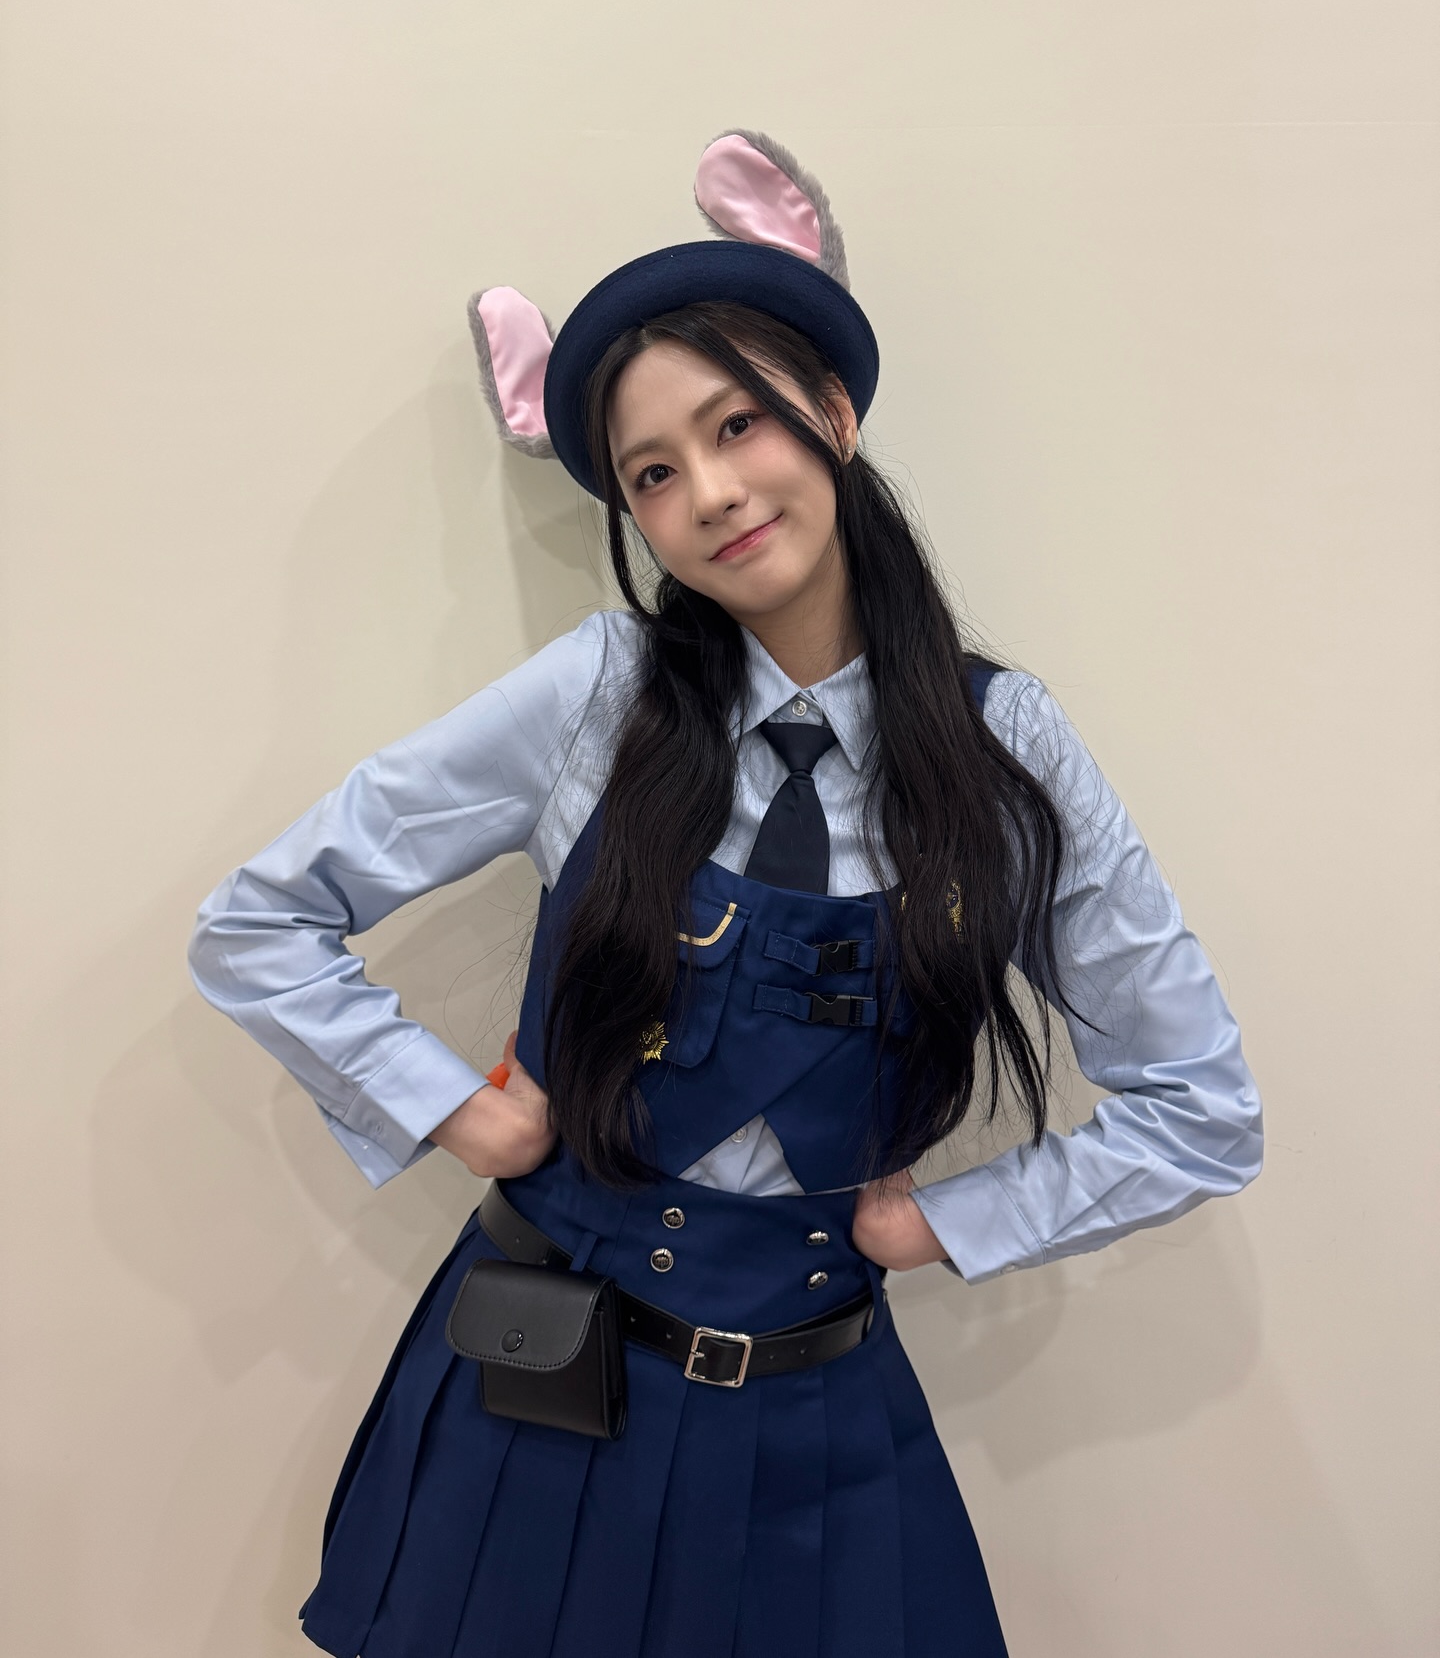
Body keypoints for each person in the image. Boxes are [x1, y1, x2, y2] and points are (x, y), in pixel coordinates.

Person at [188, 129, 1263, 1658]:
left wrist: (946, 1222)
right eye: (652, 471)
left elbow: (1202, 1107)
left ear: (834, 411)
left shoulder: (1005, 747)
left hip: (820, 1430)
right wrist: (456, 1110)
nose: (709, 490)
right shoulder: (598, 694)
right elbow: (256, 921)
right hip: (538, 1394)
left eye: (737, 422)